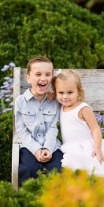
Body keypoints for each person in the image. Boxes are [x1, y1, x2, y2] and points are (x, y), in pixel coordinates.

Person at [54, 70, 104, 177]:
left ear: (79, 92)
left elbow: (95, 129)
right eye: (61, 93)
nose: (65, 96)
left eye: (70, 92)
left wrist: (97, 148)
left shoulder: (83, 108)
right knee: (68, 167)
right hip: (71, 148)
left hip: (87, 148)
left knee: (92, 168)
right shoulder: (62, 107)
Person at [15, 56, 63, 186]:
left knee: (60, 169)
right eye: (38, 74)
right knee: (27, 169)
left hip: (52, 145)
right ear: (28, 78)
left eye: (48, 74)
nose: (43, 78)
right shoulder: (20, 101)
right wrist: (36, 150)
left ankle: (58, 201)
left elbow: (53, 127)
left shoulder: (55, 101)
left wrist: (48, 147)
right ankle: (29, 200)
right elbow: (21, 131)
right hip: (29, 147)